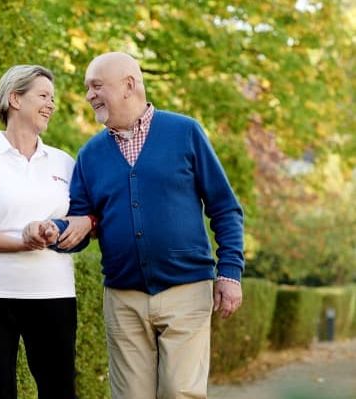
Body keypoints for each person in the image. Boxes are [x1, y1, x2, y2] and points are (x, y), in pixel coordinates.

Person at [25, 52, 244, 399]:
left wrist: (229, 273)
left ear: (129, 85)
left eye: (96, 86)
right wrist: (54, 230)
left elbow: (225, 208)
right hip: (123, 297)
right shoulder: (90, 154)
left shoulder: (185, 132)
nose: (89, 95)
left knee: (179, 392)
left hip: (187, 288)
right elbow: (82, 220)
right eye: (87, 88)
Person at [0, 65, 90, 399]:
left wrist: (60, 230)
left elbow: (81, 224)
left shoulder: (64, 162)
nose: (51, 104)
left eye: (52, 98)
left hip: (53, 294)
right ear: (15, 99)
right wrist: (24, 241)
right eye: (43, 96)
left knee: (59, 391)